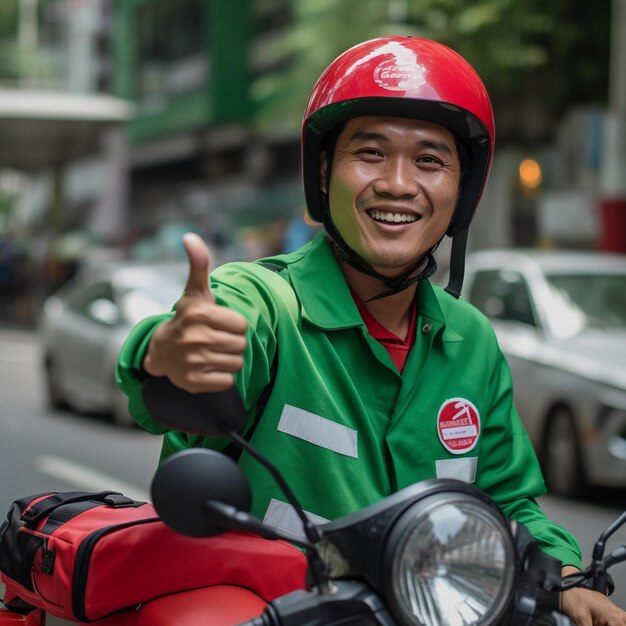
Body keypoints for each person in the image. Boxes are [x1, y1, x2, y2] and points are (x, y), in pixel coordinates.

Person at [117, 37, 626, 626]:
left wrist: (562, 577)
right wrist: (171, 352)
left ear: (461, 193)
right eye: (371, 153)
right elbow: (210, 334)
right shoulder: (268, 303)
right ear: (325, 172)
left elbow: (507, 501)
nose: (398, 184)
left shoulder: (471, 339)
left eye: (430, 161)